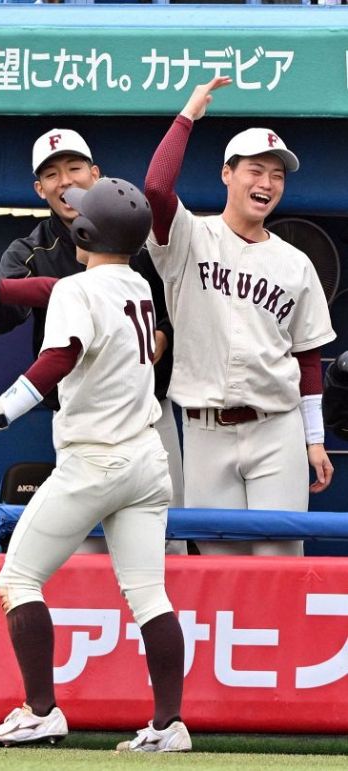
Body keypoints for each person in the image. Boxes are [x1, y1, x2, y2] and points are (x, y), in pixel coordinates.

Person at [0, 177, 190, 753]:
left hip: (95, 460)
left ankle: (40, 710)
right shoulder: (136, 286)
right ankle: (169, 724)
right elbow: (56, 287)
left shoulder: (83, 292)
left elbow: (57, 359)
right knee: (150, 596)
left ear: (82, 231)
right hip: (148, 460)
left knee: (18, 578)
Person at [0, 129, 185, 531]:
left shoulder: (135, 235)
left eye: (75, 168)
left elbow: (175, 309)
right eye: (53, 174)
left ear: (95, 174)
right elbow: (6, 318)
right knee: (90, 543)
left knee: (170, 535)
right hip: (82, 420)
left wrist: (162, 334)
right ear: (40, 188)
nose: (67, 182)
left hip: (148, 413)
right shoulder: (32, 250)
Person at [143, 77, 335, 556]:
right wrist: (187, 115)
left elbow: (308, 360)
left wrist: (314, 440)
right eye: (255, 170)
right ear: (227, 174)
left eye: (277, 175)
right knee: (217, 566)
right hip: (206, 429)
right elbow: (156, 189)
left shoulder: (296, 263)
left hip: (276, 426)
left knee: (279, 564)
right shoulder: (189, 238)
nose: (266, 183)